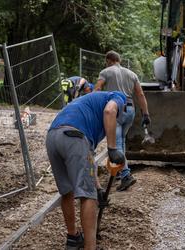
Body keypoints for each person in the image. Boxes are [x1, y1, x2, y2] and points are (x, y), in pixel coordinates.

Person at [46, 91, 127, 250]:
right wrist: (112, 148)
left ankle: (73, 238)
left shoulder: (88, 105)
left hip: (52, 137)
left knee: (67, 191)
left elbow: (89, 156)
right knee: (87, 195)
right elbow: (109, 111)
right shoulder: (118, 97)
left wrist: (98, 188)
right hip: (74, 137)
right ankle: (90, 247)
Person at [95, 50, 151, 191]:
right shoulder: (132, 74)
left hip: (116, 109)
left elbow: (97, 89)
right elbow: (140, 94)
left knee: (116, 143)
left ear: (108, 60)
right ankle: (121, 170)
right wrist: (146, 114)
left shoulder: (105, 72)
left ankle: (126, 175)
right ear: (119, 60)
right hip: (130, 109)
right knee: (121, 140)